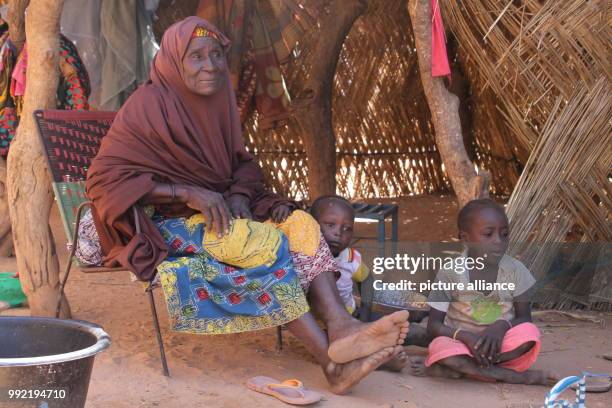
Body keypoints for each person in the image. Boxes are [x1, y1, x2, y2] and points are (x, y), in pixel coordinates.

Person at [85, 17, 409, 394]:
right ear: (175, 60)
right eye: (197, 57)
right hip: (160, 220)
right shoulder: (148, 105)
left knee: (302, 223)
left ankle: (340, 325)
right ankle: (331, 362)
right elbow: (103, 181)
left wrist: (238, 193)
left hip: (218, 208)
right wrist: (187, 192)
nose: (211, 65)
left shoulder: (218, 98)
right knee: (263, 245)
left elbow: (239, 161)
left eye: (217, 55)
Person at [409, 199, 558, 385]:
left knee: (529, 334)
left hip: (499, 344)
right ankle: (514, 376)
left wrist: (501, 326)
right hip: (461, 343)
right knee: (440, 346)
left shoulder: (516, 270)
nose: (498, 241)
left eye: (504, 234)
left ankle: (460, 369)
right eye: (488, 234)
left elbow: (524, 318)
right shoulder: (450, 272)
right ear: (465, 238)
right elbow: (434, 326)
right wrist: (465, 336)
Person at [309, 195, 369, 314]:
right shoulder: (303, 258)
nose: (338, 233)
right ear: (311, 225)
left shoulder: (351, 258)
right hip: (312, 323)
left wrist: (366, 308)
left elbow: (367, 279)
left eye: (347, 229)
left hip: (348, 315)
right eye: (330, 225)